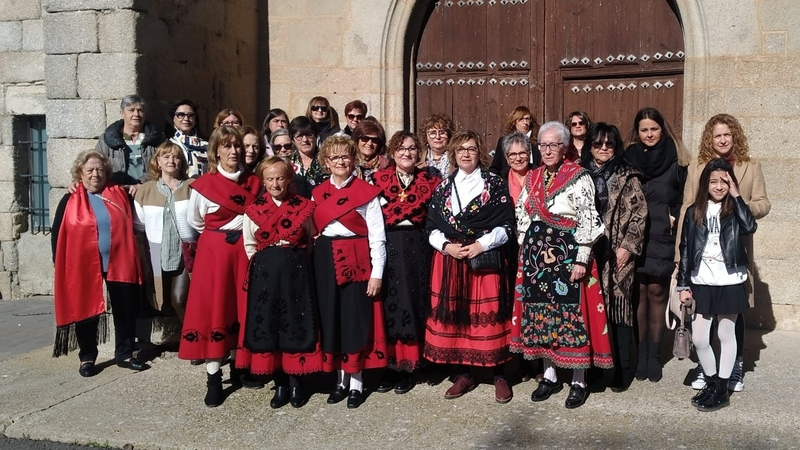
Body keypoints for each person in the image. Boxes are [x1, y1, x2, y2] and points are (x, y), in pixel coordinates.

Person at [510, 121, 612, 409]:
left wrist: (582, 258)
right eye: (543, 145)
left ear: (565, 147)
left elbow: (589, 218)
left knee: (572, 317)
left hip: (568, 255)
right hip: (537, 259)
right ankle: (550, 376)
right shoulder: (533, 177)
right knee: (542, 315)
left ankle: (578, 380)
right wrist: (525, 244)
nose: (547, 150)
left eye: (553, 145)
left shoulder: (578, 176)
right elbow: (522, 212)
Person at [678, 114, 770, 393]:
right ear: (710, 138)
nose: (722, 140)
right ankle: (707, 368)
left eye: (727, 134)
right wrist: (680, 258)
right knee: (703, 318)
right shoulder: (697, 166)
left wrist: (738, 207)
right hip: (702, 256)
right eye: (717, 135)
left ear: (735, 136)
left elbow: (763, 203)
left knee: (732, 316)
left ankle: (735, 365)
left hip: (734, 251)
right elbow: (687, 206)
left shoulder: (749, 166)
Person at [424, 130, 516, 404]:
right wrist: (446, 246)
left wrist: (482, 245)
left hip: (483, 260)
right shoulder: (443, 187)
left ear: (480, 153)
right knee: (460, 316)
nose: (466, 154)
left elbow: (507, 225)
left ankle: (499, 374)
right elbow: (431, 227)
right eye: (461, 149)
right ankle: (465, 373)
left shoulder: (494, 184)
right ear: (454, 154)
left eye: (472, 149)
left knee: (487, 315)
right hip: (451, 259)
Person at [178, 126, 264, 407]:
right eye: (227, 146)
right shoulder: (204, 186)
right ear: (215, 151)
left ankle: (240, 367)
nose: (234, 151)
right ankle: (213, 377)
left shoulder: (254, 182)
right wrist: (220, 238)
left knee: (242, 307)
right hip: (215, 255)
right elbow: (195, 221)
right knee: (216, 310)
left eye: (237, 145)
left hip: (245, 251)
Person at [51, 150, 147, 377]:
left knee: (125, 308)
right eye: (90, 170)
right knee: (85, 309)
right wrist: (60, 264)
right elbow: (57, 233)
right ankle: (87, 356)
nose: (95, 174)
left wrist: (139, 188)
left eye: (100, 169)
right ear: (80, 173)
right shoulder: (69, 199)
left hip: (119, 260)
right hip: (83, 264)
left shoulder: (119, 193)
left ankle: (125, 353)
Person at [312, 135, 388, 409]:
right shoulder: (316, 193)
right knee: (331, 317)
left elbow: (377, 236)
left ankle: (356, 382)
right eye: (335, 157)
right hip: (325, 259)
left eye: (346, 156)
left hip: (357, 257)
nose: (341, 161)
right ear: (326, 162)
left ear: (354, 160)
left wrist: (377, 273)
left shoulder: (367, 193)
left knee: (354, 319)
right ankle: (340, 381)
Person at [241, 156, 323, 409]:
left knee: (295, 323)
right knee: (271, 324)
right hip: (266, 277)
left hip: (296, 274)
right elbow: (249, 245)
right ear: (263, 181)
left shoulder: (303, 206)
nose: (275, 184)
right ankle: (280, 384)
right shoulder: (253, 210)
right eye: (270, 179)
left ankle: (297, 382)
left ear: (288, 179)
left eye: (279, 178)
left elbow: (311, 238)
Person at [677, 158, 757, 412]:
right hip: (702, 280)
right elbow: (686, 248)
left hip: (729, 280)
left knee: (725, 334)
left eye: (724, 181)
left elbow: (750, 226)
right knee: (700, 338)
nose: (719, 186)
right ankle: (712, 381)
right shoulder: (694, 211)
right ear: (705, 184)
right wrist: (682, 285)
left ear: (731, 183)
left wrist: (737, 195)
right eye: (713, 181)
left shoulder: (734, 209)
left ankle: (722, 387)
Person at [371, 131, 442, 394]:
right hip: (389, 246)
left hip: (419, 247)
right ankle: (390, 364)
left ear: (419, 152)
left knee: (414, 301)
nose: (407, 153)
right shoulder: (377, 180)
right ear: (392, 152)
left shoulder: (430, 180)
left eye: (412, 148)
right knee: (390, 303)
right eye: (401, 148)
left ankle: (411, 365)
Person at [580, 123, 648, 392]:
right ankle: (596, 370)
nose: (604, 148)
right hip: (587, 254)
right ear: (590, 146)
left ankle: (621, 370)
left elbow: (640, 215)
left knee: (619, 312)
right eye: (598, 143)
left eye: (609, 144)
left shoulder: (627, 175)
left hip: (618, 254)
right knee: (591, 313)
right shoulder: (578, 174)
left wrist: (628, 248)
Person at [623, 107, 690, 383]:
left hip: (663, 233)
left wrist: (674, 215)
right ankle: (641, 356)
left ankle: (654, 356)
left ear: (662, 129)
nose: (649, 134)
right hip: (635, 235)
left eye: (654, 129)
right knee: (638, 294)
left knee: (657, 292)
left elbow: (684, 195)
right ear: (637, 132)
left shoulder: (677, 157)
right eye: (644, 130)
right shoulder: (629, 157)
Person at [133, 141, 197, 322]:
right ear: (158, 162)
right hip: (157, 254)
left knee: (180, 299)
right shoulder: (145, 190)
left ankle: (192, 336)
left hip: (187, 254)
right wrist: (144, 261)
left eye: (176, 157)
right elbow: (139, 228)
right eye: (166, 156)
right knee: (164, 304)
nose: (171, 161)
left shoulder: (192, 187)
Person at [95, 94, 166, 188]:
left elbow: (166, 165)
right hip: (117, 190)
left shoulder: (157, 138)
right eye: (131, 110)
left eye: (140, 110)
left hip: (149, 189)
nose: (136, 114)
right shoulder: (107, 139)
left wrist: (142, 184)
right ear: (122, 113)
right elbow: (94, 164)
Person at [489, 106, 541, 177]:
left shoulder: (538, 141)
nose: (525, 122)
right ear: (514, 121)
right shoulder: (503, 141)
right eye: (521, 119)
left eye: (527, 119)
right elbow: (495, 167)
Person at [169, 99, 209, 178]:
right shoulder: (168, 144)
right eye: (181, 115)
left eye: (190, 115)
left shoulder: (206, 145)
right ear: (173, 118)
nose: (186, 118)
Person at [289, 116, 328, 187]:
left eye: (309, 135)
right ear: (292, 140)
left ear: (316, 136)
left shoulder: (327, 160)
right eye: (299, 136)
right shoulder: (287, 163)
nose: (305, 140)